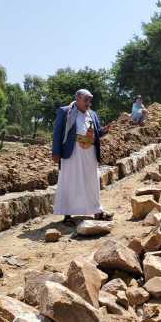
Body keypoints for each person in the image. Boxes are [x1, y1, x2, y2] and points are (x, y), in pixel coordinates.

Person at [52, 89, 113, 224]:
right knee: (69, 182)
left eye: (90, 100)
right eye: (86, 100)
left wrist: (103, 131)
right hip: (72, 153)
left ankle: (97, 211)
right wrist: (55, 152)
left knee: (92, 182)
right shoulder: (65, 111)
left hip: (89, 154)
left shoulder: (92, 114)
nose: (88, 103)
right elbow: (57, 132)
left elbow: (96, 133)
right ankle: (67, 215)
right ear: (78, 98)